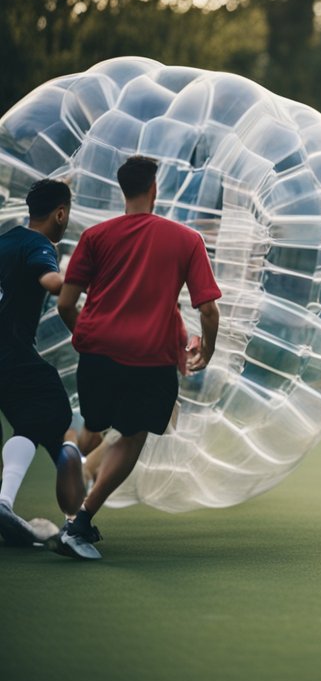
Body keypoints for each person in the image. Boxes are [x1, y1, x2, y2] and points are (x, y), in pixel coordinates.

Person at [54, 156, 222, 559]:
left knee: (94, 424)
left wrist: (90, 335)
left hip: (96, 355)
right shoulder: (185, 239)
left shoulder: (95, 236)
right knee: (131, 437)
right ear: (154, 189)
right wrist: (208, 349)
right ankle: (81, 521)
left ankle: (73, 452)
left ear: (121, 190)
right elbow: (208, 309)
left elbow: (65, 303)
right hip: (150, 358)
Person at [0, 179, 84, 546]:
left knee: (23, 424)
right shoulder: (39, 245)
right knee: (51, 415)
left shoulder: (4, 240)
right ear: (60, 213)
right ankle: (6, 502)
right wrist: (84, 282)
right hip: (11, 350)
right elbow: (51, 282)